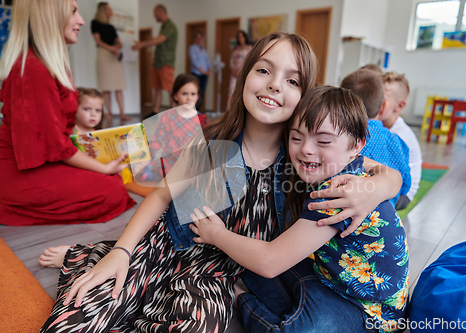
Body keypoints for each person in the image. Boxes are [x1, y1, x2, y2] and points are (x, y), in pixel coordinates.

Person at [39, 32, 402, 333]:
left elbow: (388, 175)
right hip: (165, 249)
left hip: (218, 270)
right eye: (264, 70)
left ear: (303, 97)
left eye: (292, 80)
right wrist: (121, 252)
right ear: (244, 76)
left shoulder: (308, 159)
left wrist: (373, 190)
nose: (275, 85)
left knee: (197, 325)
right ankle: (93, 255)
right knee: (84, 310)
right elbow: (162, 195)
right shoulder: (214, 140)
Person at [190, 86, 409, 332]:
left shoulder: (337, 193)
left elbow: (270, 261)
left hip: (368, 309)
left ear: (357, 145)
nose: (306, 149)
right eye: (296, 138)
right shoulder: (343, 161)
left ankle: (240, 298)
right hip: (328, 277)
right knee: (252, 262)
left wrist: (216, 235)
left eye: (323, 141)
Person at [0, 0, 135, 227]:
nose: (81, 20)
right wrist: (103, 167)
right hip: (16, 168)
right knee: (111, 189)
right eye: (73, 11)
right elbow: (56, 146)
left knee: (113, 178)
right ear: (50, 16)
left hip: (39, 158)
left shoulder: (44, 62)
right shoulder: (34, 68)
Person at [341, 69, 411, 207]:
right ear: (382, 106)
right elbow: (405, 186)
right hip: (385, 217)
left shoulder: (342, 138)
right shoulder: (398, 143)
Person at [138, 73, 209, 181]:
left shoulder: (202, 119)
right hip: (170, 164)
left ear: (198, 96)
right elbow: (157, 140)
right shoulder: (168, 116)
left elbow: (208, 144)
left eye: (193, 94)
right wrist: (146, 159)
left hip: (192, 166)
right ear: (175, 95)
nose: (189, 98)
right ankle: (152, 170)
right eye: (184, 94)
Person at [380, 72, 422, 210]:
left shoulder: (399, 135)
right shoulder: (383, 126)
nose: (377, 101)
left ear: (399, 106)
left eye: (382, 99)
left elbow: (390, 176)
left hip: (403, 194)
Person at [133, 4, 177, 118]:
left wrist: (142, 44)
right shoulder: (163, 26)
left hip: (166, 63)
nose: (154, 16)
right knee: (157, 88)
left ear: (161, 12)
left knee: (170, 89)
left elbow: (160, 39)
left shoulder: (170, 26)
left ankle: (174, 112)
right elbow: (158, 39)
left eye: (155, 13)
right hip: (158, 63)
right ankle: (155, 111)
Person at [91, 2, 131, 123]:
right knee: (106, 87)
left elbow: (119, 43)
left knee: (118, 86)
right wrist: (110, 48)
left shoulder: (111, 27)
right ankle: (109, 113)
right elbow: (98, 41)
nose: (111, 11)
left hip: (114, 55)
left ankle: (122, 113)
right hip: (104, 55)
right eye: (108, 9)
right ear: (103, 10)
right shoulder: (95, 23)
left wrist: (116, 48)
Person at [228, 30, 253, 107]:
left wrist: (240, 70)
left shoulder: (249, 49)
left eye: (242, 36)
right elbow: (231, 61)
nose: (240, 38)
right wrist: (233, 70)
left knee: (242, 92)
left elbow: (250, 61)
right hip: (234, 75)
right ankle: (230, 113)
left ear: (245, 37)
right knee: (232, 93)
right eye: (239, 37)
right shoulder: (236, 49)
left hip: (244, 73)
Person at [189, 32, 211, 112]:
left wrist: (209, 69)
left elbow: (207, 61)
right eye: (197, 38)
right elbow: (195, 62)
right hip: (196, 74)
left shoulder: (204, 50)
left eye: (200, 38)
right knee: (195, 92)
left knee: (202, 92)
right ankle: (192, 110)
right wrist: (204, 72)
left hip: (204, 75)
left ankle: (198, 109)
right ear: (195, 39)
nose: (199, 40)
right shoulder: (192, 48)